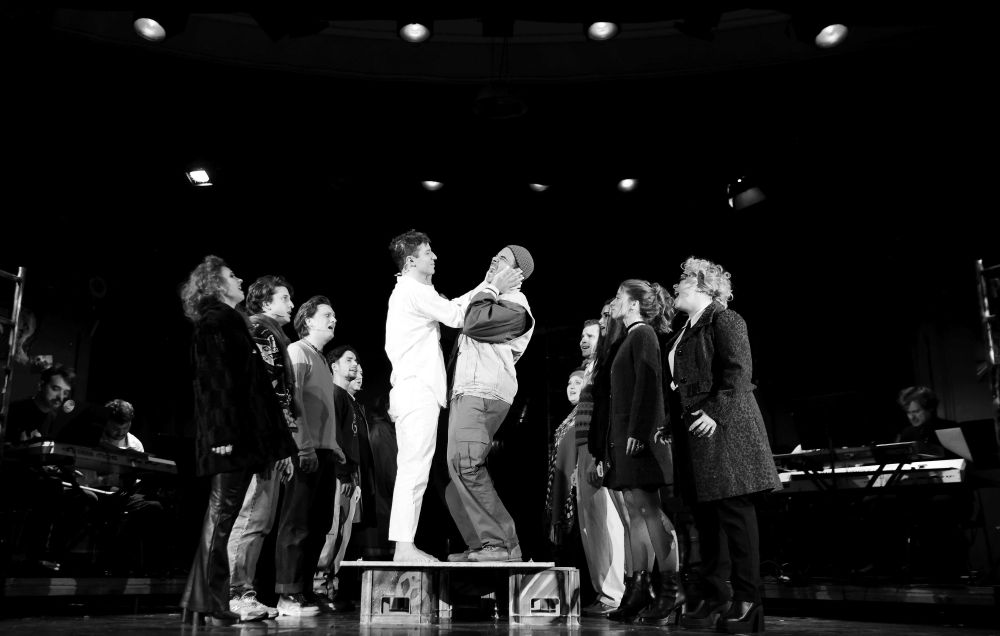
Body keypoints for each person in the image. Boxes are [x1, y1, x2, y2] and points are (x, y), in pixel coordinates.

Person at [384, 230, 522, 562]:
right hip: (416, 389)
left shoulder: (417, 292)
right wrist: (492, 286)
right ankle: (404, 547)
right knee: (415, 469)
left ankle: (408, 545)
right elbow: (459, 316)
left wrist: (489, 284)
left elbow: (456, 306)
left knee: (423, 468)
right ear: (411, 261)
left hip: (419, 390)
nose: (435, 257)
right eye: (427, 252)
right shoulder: (411, 290)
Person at [662, 257, 780, 634]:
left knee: (734, 514)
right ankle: (715, 595)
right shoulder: (685, 330)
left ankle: (749, 601)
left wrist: (714, 412)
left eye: (683, 279)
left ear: (704, 285)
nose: (676, 285)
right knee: (706, 519)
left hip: (725, 430)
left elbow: (739, 372)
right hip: (695, 433)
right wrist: (670, 424)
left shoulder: (725, 319)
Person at [179, 255, 298, 627]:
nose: (240, 279)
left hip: (242, 437)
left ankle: (203, 600)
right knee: (221, 518)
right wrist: (221, 435)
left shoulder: (232, 323)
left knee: (221, 519)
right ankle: (208, 600)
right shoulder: (215, 322)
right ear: (216, 284)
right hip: (229, 438)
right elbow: (212, 382)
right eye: (231, 276)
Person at [593, 279, 680, 625]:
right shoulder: (628, 338)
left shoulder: (643, 334)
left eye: (619, 296)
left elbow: (650, 383)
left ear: (633, 304)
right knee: (635, 510)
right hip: (623, 440)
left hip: (638, 438)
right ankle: (640, 588)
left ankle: (672, 589)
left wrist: (640, 432)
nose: (614, 301)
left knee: (649, 509)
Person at [444, 245, 534, 563]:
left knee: (467, 464)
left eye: (503, 259)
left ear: (517, 272)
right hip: (466, 391)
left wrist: (493, 287)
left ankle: (503, 544)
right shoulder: (489, 295)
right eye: (495, 255)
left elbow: (475, 323)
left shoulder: (517, 305)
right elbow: (458, 313)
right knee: (455, 476)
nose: (494, 259)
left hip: (483, 392)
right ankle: (483, 544)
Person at [227, 275, 298, 620]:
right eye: (284, 298)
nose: (291, 304)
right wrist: (278, 443)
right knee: (251, 517)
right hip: (261, 441)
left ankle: (244, 592)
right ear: (266, 302)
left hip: (268, 439)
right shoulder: (261, 330)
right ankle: (234, 594)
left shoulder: (273, 335)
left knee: (259, 521)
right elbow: (266, 391)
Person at [274, 295, 345, 616]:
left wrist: (334, 446)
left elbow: (322, 410)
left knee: (318, 524)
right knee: (297, 522)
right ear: (308, 320)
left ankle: (303, 590)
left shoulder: (321, 360)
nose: (333, 319)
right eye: (327, 315)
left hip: (324, 451)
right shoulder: (297, 351)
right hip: (304, 450)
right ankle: (287, 594)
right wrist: (303, 446)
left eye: (334, 315)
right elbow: (293, 401)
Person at [574, 319, 627, 617]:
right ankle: (603, 592)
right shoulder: (589, 368)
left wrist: (598, 456)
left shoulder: (604, 367)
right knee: (590, 525)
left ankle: (613, 593)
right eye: (582, 335)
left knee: (606, 524)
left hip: (596, 451)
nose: (584, 340)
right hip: (585, 450)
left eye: (591, 336)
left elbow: (604, 414)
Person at [545, 368, 586, 549]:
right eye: (569, 383)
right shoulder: (572, 416)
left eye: (578, 383)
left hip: (580, 481)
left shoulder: (586, 414)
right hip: (568, 482)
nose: (571, 387)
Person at [5, 364, 75, 441]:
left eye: (65, 393)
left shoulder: (54, 420)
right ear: (41, 386)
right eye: (56, 389)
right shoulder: (14, 411)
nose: (61, 397)